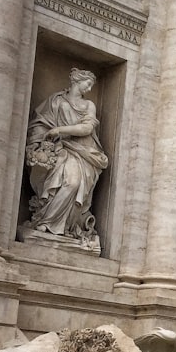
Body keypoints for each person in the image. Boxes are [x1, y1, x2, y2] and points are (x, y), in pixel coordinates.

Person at [24, 68, 109, 250]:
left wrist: (60, 130)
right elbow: (40, 123)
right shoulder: (56, 101)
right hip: (59, 148)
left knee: (73, 183)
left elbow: (87, 129)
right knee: (62, 182)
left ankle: (61, 225)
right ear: (77, 80)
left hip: (82, 151)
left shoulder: (89, 106)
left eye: (93, 84)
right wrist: (41, 141)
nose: (90, 87)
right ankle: (47, 222)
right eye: (88, 83)